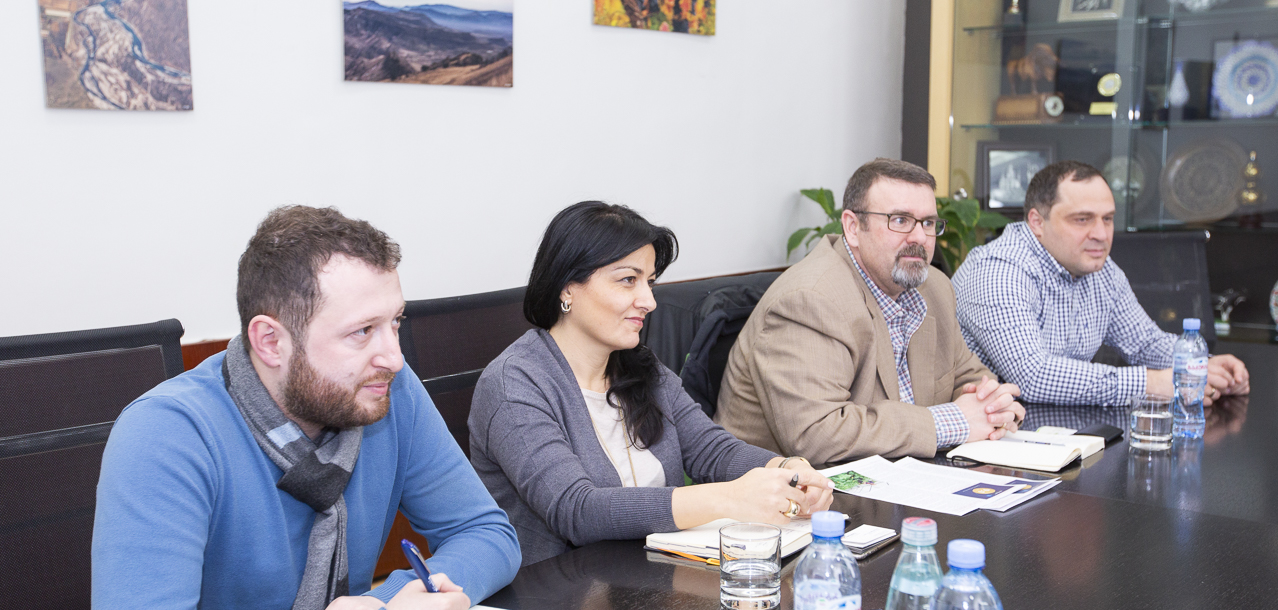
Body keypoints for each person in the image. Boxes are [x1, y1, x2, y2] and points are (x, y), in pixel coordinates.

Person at [65, 206, 521, 610]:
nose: (393, 357)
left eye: (394, 323)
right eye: (362, 331)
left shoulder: (385, 393)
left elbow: (486, 534)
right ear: (270, 342)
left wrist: (386, 605)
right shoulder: (166, 433)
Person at [467, 201, 835, 567]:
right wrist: (728, 499)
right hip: (562, 590)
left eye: (650, 282)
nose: (649, 301)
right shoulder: (513, 384)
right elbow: (576, 510)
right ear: (567, 288)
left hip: (655, 575)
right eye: (628, 280)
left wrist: (788, 470)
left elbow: (712, 451)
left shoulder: (640, 366)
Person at [715, 158, 1025, 466]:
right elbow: (817, 435)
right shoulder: (809, 300)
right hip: (793, 487)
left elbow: (970, 378)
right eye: (900, 220)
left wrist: (993, 407)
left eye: (928, 223)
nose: (919, 237)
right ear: (852, 228)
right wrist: (952, 422)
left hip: (900, 476)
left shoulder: (934, 287)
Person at [953, 160, 1250, 406]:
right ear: (1037, 222)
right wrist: (1152, 383)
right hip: (981, 437)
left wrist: (1199, 363)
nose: (1100, 234)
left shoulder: (1099, 268)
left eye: (1107, 219)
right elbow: (1033, 376)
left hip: (1052, 429)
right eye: (1082, 219)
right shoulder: (998, 271)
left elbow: (1144, 342)